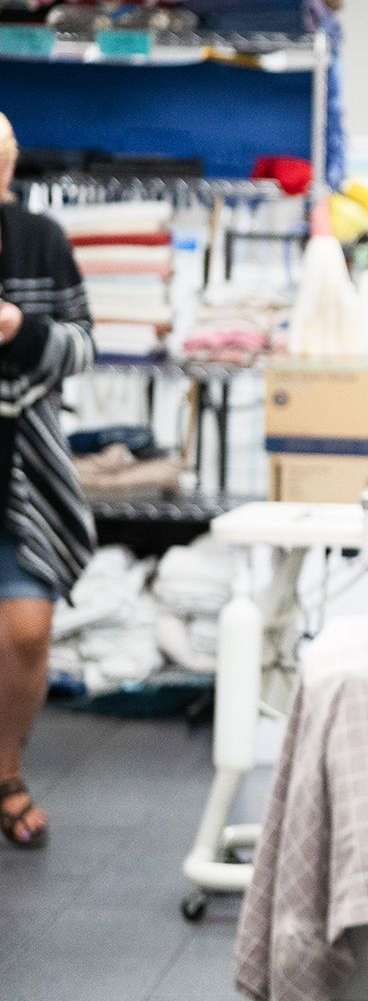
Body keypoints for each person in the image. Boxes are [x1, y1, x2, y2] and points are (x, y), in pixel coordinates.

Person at [0, 112, 98, 850]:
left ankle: (7, 772)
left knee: (28, 630)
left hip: (23, 468)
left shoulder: (42, 239)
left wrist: (19, 330)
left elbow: (84, 346)